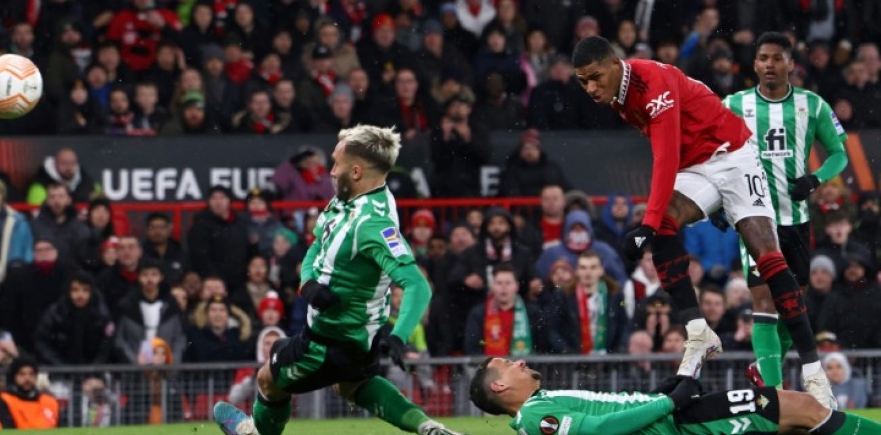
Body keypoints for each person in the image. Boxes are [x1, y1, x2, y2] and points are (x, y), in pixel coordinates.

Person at [571, 35, 834, 407]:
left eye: (595, 77)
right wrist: (697, 209)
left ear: (616, 64)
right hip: (696, 167)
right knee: (665, 226)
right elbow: (672, 153)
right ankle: (699, 332)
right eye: (583, 82)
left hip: (735, 156)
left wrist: (646, 223)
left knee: (768, 259)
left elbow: (663, 156)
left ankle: (814, 373)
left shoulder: (652, 85)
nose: (591, 88)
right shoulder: (618, 97)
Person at [214, 125, 464, 435]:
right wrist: (308, 284)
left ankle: (253, 433)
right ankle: (428, 428)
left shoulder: (372, 224)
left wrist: (399, 336)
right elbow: (317, 244)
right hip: (359, 335)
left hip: (331, 339)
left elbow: (417, 284)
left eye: (336, 164)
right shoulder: (348, 199)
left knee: (268, 377)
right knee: (350, 386)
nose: (330, 172)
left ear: (356, 171)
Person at [723, 32, 849, 390]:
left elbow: (839, 152)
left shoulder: (813, 105)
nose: (770, 64)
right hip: (754, 220)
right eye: (764, 58)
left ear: (791, 64)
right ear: (754, 64)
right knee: (764, 300)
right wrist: (719, 200)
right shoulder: (734, 104)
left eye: (778, 58)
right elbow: (708, 149)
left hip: (797, 220)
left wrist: (815, 179)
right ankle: (775, 396)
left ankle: (765, 370)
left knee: (794, 305)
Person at [469, 357, 881, 435]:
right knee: (800, 408)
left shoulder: (542, 404)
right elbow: (600, 429)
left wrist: (657, 393)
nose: (519, 362)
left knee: (792, 420)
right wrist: (670, 401)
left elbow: (612, 410)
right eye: (507, 365)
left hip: (672, 416)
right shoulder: (535, 418)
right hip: (679, 423)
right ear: (499, 386)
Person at [0, 357, 59, 429]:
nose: (27, 378)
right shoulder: (4, 401)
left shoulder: (50, 402)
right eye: (22, 374)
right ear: (14, 377)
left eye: (31, 374)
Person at [26, 147, 103, 206]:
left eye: (72, 163)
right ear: (55, 164)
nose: (69, 168)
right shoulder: (39, 186)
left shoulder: (88, 181)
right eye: (64, 163)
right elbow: (35, 214)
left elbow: (102, 202)